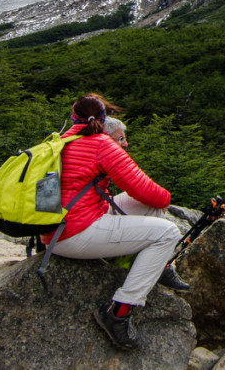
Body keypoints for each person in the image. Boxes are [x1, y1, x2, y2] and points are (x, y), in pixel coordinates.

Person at [44, 94, 189, 351]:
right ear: (103, 118)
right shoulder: (101, 143)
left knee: (149, 208)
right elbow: (150, 192)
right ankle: (119, 313)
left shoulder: (59, 141)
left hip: (55, 231)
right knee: (168, 232)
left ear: (73, 118)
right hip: (77, 234)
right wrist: (165, 197)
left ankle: (159, 267)